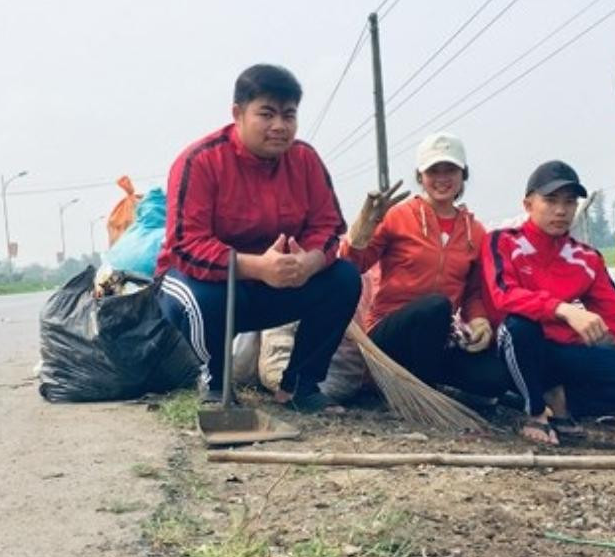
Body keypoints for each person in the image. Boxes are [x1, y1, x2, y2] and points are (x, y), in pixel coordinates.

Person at [156, 64, 361, 412]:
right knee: (201, 296)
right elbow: (187, 247)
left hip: (277, 284)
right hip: (205, 286)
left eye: (289, 115)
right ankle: (215, 384)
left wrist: (308, 263)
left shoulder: (305, 160)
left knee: (343, 278)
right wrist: (257, 267)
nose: (280, 126)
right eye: (266, 114)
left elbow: (328, 228)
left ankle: (300, 387)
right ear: (238, 113)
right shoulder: (200, 161)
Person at [482, 160, 615, 447]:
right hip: (516, 351)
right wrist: (563, 309)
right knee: (519, 326)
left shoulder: (586, 259)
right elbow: (504, 295)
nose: (561, 210)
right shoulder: (503, 242)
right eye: (551, 200)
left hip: (563, 354)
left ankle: (565, 401)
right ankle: (535, 412)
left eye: (569, 202)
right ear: (528, 204)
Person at [340, 133, 508, 404]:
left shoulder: (474, 232)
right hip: (389, 332)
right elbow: (352, 265)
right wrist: (362, 231)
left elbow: (474, 292)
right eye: (433, 171)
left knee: (494, 379)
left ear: (463, 175)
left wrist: (479, 322)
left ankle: (425, 381)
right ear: (420, 176)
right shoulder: (397, 216)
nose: (442, 178)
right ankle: (422, 393)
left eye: (450, 170)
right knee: (434, 306)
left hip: (438, 336)